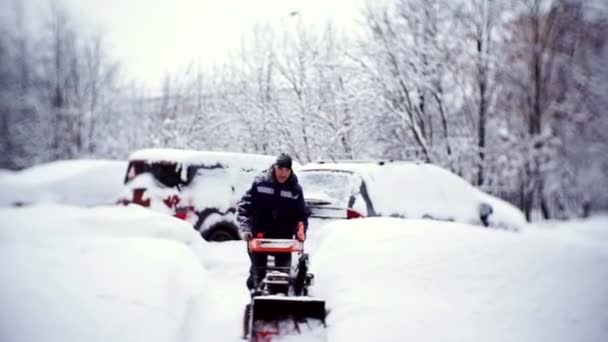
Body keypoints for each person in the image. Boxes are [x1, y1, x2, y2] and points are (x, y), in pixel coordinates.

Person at [237, 153, 309, 292]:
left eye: (287, 170)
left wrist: (301, 229)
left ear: (291, 171)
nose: (283, 173)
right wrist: (246, 228)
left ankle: (280, 302)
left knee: (281, 278)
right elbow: (244, 208)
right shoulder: (259, 183)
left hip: (283, 237)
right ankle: (256, 298)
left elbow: (301, 215)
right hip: (259, 235)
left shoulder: (295, 189)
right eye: (280, 169)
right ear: (274, 168)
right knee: (258, 277)